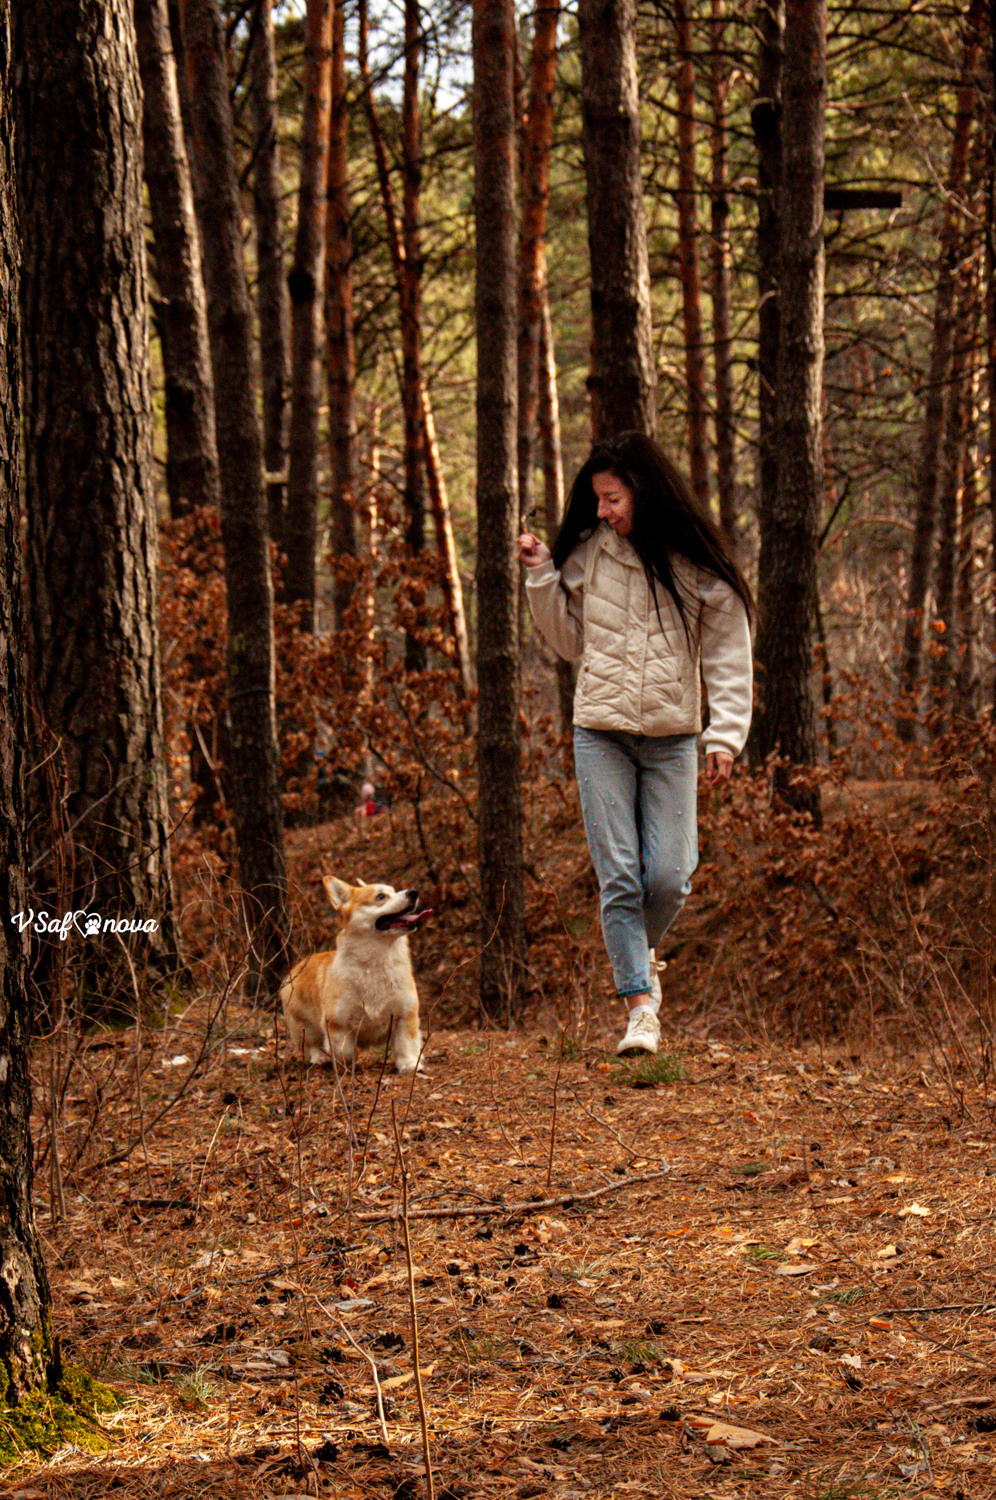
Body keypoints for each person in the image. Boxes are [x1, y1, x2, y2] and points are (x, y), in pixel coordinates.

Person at [518, 431, 753, 1056]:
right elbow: (568, 644)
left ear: (643, 494)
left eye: (612, 498)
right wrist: (542, 574)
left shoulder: (694, 561)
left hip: (674, 737)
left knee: (672, 877)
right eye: (597, 499)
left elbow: (729, 650)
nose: (602, 511)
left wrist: (725, 735)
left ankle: (635, 949)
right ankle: (640, 1010)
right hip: (600, 731)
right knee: (619, 875)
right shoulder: (591, 552)